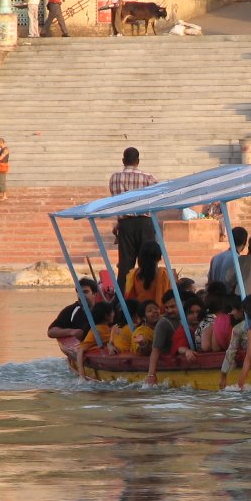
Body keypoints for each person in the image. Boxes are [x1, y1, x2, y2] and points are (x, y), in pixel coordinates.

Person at [109, 147, 158, 288]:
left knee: (125, 265)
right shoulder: (148, 178)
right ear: (138, 161)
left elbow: (117, 201)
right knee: (148, 262)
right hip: (145, 223)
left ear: (123, 160)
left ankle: (123, 298)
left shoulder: (115, 178)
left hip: (126, 224)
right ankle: (148, 292)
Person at [76, 301, 117, 379]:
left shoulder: (109, 329)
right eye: (112, 313)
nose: (114, 314)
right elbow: (80, 350)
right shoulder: (95, 331)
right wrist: (82, 374)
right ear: (106, 316)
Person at [124, 241, 170, 305]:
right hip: (158, 312)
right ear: (159, 257)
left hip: (140, 312)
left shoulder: (133, 274)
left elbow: (129, 297)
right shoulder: (164, 274)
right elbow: (170, 297)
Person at [218, 299, 248, 389]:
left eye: (233, 309)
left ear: (241, 310)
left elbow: (231, 351)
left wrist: (223, 374)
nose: (232, 313)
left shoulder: (238, 328)